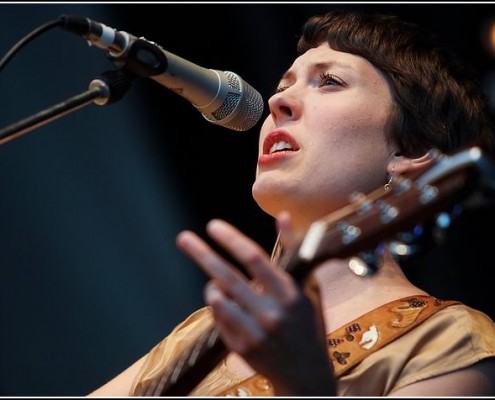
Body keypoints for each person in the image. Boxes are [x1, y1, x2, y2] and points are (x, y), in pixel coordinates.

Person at [89, 9, 495, 396]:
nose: (277, 102)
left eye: (330, 82)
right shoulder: (204, 334)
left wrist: (304, 384)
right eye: (283, 87)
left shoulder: (449, 339)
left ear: (414, 147)